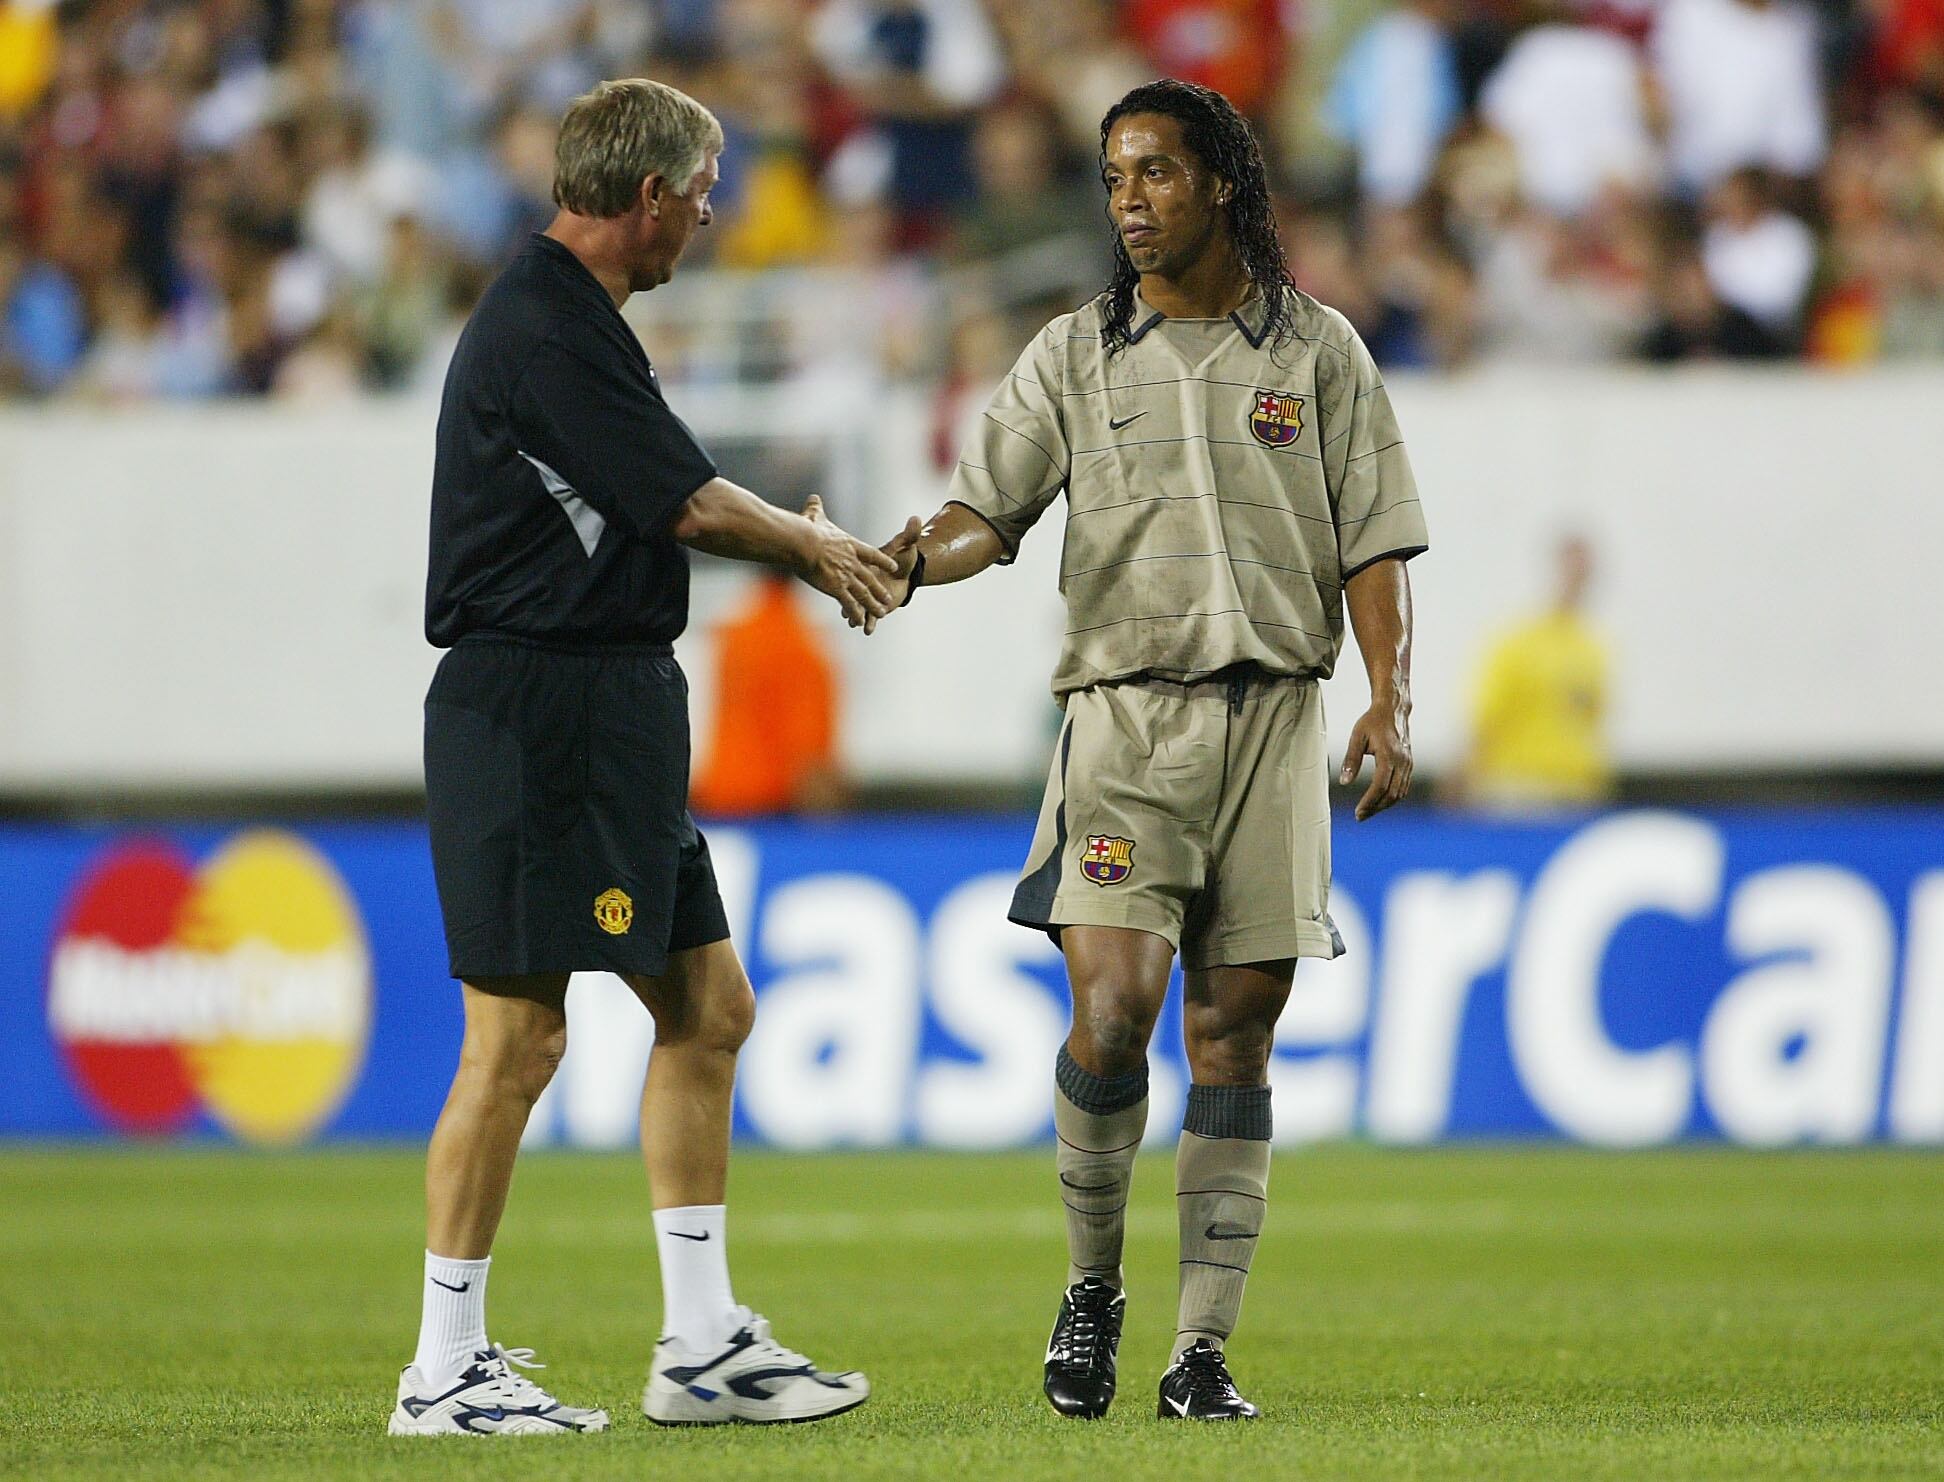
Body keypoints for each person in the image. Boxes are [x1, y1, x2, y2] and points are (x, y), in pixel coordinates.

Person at [874, 79, 1428, 1421]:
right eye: (1115, 178)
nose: (1128, 200)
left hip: (1274, 724)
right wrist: (906, 556)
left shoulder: (1317, 350)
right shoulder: (1074, 352)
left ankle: (1199, 1352)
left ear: (1221, 181)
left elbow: (1376, 540)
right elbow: (983, 513)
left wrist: (1388, 696)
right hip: (1121, 720)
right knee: (1113, 1011)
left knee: (1233, 1035)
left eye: (1155, 174)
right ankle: (1093, 1286)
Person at [399, 77, 907, 1437]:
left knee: (710, 1009)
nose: (710, 210)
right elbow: (679, 496)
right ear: (646, 197)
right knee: (516, 1037)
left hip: (609, 707)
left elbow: (659, 485)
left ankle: (700, 1346)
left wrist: (797, 542)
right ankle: (443, 1364)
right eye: (701, 189)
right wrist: (815, 545)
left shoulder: (575, 323)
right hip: (541, 711)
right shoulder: (547, 327)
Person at [1459, 534, 1614, 808]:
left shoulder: (1594, 649)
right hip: (1520, 788)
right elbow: (1485, 719)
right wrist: (1463, 779)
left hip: (1576, 790)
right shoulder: (1517, 643)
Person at [692, 571, 846, 816]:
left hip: (721, 793)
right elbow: (808, 745)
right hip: (771, 804)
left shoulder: (734, 638)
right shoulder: (803, 647)